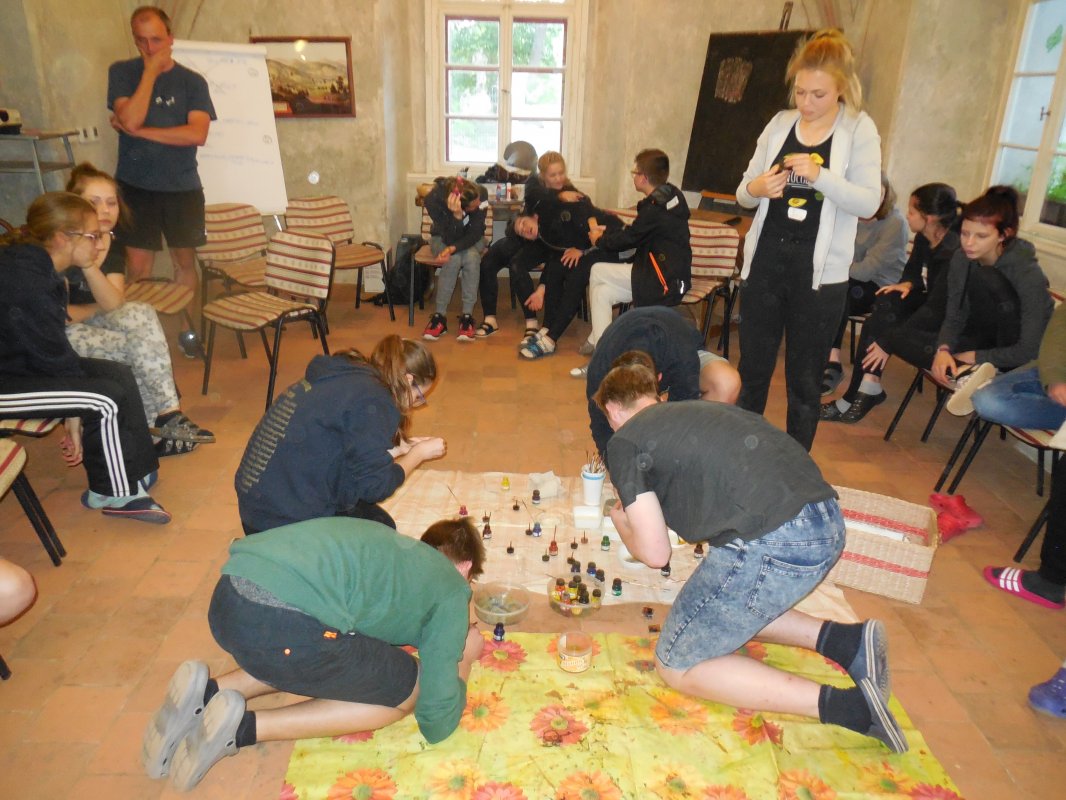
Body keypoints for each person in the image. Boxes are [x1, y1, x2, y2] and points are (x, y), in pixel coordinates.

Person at [593, 361, 907, 753]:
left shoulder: (626, 440)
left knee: (675, 662)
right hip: (825, 522)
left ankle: (853, 709)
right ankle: (848, 642)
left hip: (777, 541)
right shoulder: (694, 411)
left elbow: (656, 553)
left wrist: (622, 523)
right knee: (716, 608)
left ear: (613, 410)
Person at [141, 516, 487, 791]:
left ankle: (206, 693)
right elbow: (437, 721)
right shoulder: (452, 589)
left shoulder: (391, 551)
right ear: (464, 569)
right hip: (280, 629)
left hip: (230, 599)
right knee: (409, 688)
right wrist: (465, 657)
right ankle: (240, 728)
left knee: (333, 647)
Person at [734, 29, 882, 450]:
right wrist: (758, 188)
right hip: (766, 263)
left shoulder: (858, 129)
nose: (806, 103)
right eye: (800, 92)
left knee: (804, 382)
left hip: (819, 277)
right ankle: (741, 461)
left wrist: (821, 176)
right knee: (752, 373)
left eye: (818, 94)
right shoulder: (780, 124)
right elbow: (744, 191)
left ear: (841, 89)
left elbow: (869, 202)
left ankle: (795, 469)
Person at [0, 192, 169, 523]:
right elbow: (51, 357)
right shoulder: (27, 280)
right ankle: (119, 494)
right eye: (92, 236)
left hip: (22, 366)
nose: (99, 243)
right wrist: (74, 414)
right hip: (7, 381)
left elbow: (52, 349)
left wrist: (73, 412)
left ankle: (134, 471)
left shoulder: (42, 267)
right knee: (103, 399)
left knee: (117, 374)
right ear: (63, 238)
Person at [856, 186, 1052, 425]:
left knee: (986, 276)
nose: (969, 243)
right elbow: (955, 313)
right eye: (965, 233)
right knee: (895, 337)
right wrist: (944, 349)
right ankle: (963, 373)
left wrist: (974, 355)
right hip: (976, 337)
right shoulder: (962, 257)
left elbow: (1029, 349)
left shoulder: (1027, 273)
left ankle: (973, 372)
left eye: (981, 236)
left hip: (1016, 353)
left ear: (1004, 235)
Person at [65, 163, 214, 456]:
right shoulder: (60, 244)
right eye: (94, 202)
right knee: (138, 347)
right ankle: (153, 432)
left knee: (141, 313)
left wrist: (92, 272)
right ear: (73, 205)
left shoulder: (110, 242)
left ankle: (168, 415)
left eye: (111, 203)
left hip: (88, 321)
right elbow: (57, 316)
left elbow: (114, 302)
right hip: (53, 338)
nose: (104, 210)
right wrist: (90, 274)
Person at [235, 335, 444, 534]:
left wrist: (395, 450)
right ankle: (288, 554)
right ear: (408, 380)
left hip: (258, 507)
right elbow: (375, 487)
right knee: (380, 538)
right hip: (280, 521)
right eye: (419, 397)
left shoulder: (351, 375)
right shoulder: (376, 399)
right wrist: (417, 455)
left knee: (380, 524)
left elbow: (342, 448)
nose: (415, 404)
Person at [821, 182, 961, 423]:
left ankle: (857, 395)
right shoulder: (924, 236)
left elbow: (940, 306)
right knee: (886, 302)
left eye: (913, 211)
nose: (908, 215)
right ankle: (868, 386)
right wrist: (907, 284)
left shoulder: (954, 252)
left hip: (948, 316)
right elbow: (912, 272)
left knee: (881, 324)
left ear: (929, 218)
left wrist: (888, 341)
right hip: (930, 301)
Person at [107, 5, 216, 291]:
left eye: (156, 39)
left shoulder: (193, 82)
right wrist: (150, 73)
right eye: (141, 40)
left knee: (184, 265)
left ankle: (185, 322)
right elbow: (131, 119)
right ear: (134, 39)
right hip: (135, 187)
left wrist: (140, 132)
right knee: (138, 269)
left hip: (182, 187)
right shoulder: (122, 72)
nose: (149, 47)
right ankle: (143, 322)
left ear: (170, 38)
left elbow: (197, 134)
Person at [979, 305, 1065, 609]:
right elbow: (1058, 332)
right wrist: (1055, 379)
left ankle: (1050, 581)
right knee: (988, 400)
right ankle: (978, 379)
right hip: (1055, 377)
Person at [579, 149, 692, 362]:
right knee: (602, 293)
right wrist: (608, 232)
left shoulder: (654, 209)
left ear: (644, 178)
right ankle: (601, 345)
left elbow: (631, 238)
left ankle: (601, 349)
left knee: (597, 270)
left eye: (635, 172)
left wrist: (598, 240)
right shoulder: (672, 195)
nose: (633, 176)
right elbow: (639, 233)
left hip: (662, 280)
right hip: (664, 272)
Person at [584, 306, 740, 460]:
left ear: (658, 379)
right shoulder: (600, 371)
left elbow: (684, 414)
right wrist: (617, 467)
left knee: (726, 382)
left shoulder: (681, 358)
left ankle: (698, 457)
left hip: (683, 349)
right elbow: (600, 427)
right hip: (628, 347)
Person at [820, 173, 908, 396]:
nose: (871, 199)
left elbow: (866, 271)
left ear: (886, 195)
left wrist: (836, 264)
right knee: (828, 288)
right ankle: (821, 354)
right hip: (851, 280)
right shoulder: (847, 215)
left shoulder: (895, 223)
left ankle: (832, 361)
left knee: (839, 291)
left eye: (878, 194)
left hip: (885, 288)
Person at [475, 151, 576, 340]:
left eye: (561, 173)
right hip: (520, 238)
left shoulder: (570, 193)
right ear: (543, 175)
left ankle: (531, 322)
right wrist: (518, 225)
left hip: (546, 245)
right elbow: (519, 217)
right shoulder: (534, 186)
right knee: (488, 261)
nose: (558, 178)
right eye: (553, 175)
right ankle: (490, 319)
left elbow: (565, 236)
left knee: (517, 265)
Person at [515, 190, 624, 360]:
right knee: (557, 268)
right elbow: (554, 261)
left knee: (576, 276)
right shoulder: (546, 235)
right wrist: (541, 290)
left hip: (611, 244)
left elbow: (587, 215)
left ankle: (551, 339)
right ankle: (547, 328)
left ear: (534, 216)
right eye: (521, 232)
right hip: (591, 248)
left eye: (522, 223)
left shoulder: (554, 214)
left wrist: (581, 249)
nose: (524, 230)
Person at [421, 176, 489, 342]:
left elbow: (475, 232)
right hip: (442, 238)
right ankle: (440, 316)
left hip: (473, 238)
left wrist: (453, 249)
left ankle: (467, 316)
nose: (479, 204)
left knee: (471, 257)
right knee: (453, 259)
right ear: (462, 206)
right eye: (474, 205)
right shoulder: (433, 200)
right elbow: (449, 238)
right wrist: (457, 217)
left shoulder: (481, 193)